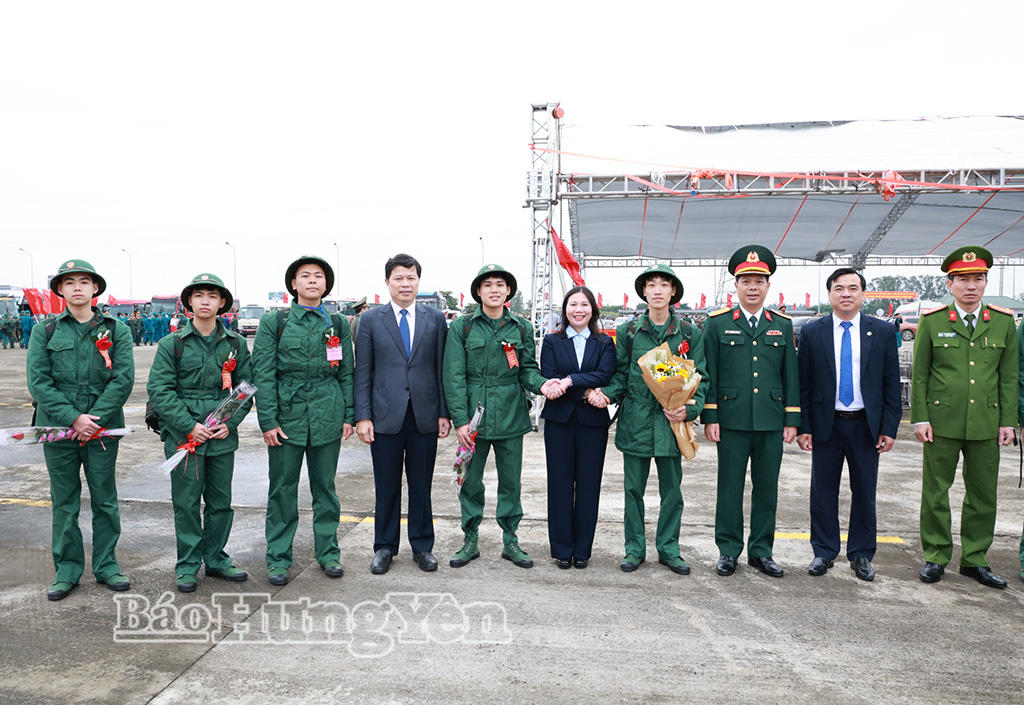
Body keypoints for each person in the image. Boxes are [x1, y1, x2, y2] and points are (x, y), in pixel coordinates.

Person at [27, 259, 135, 600]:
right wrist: (75, 418)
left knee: (105, 499)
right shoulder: (44, 330)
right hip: (58, 430)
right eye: (69, 282)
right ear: (60, 290)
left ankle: (107, 566)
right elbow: (39, 382)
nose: (77, 287)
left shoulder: (117, 330)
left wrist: (94, 419)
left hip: (102, 431)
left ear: (95, 288)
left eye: (84, 281)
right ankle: (67, 570)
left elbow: (122, 380)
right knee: (65, 502)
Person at [590, 263, 708, 575]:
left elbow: (702, 378)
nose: (657, 290)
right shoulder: (629, 332)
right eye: (651, 285)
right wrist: (606, 394)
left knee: (672, 492)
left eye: (663, 285)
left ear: (673, 293)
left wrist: (689, 409)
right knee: (632, 492)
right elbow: (619, 376)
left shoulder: (689, 333)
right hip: (637, 423)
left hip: (672, 425)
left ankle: (669, 549)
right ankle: (634, 549)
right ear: (644, 291)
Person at [913, 246, 1017, 589]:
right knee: (936, 492)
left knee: (983, 494)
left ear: (986, 282)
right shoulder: (933, 320)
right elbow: (922, 376)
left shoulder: (1003, 322)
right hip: (941, 421)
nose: (971, 286)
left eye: (978, 278)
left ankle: (975, 559)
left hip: (987, 422)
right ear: (949, 283)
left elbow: (1008, 376)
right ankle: (937, 556)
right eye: (963, 279)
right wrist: (920, 418)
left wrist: (1008, 422)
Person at [443, 264, 559, 569]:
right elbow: (453, 375)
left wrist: (543, 384)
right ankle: (470, 540)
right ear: (478, 291)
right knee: (470, 481)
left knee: (511, 482)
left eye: (500, 284)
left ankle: (511, 541)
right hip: (472, 417)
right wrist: (459, 420)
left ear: (508, 291)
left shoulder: (520, 327)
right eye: (488, 285)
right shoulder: (462, 327)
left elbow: (527, 369)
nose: (494, 289)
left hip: (510, 414)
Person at [147, 273, 253, 592]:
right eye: (199, 295)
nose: (205, 301)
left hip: (221, 436)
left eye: (212, 295)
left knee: (221, 502)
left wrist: (228, 423)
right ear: (189, 302)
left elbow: (245, 389)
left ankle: (217, 558)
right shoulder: (172, 344)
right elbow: (161, 390)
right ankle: (189, 564)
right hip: (184, 437)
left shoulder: (236, 343)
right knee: (187, 503)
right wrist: (189, 425)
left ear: (222, 303)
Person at [253, 255, 355, 586]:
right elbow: (263, 373)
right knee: (282, 489)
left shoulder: (337, 324)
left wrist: (348, 416)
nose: (312, 280)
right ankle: (279, 558)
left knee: (325, 488)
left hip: (327, 414)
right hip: (287, 417)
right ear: (293, 284)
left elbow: (347, 374)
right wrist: (267, 420)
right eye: (305, 276)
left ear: (326, 285)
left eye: (319, 276)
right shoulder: (275, 322)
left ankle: (328, 552)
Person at [796, 268, 902, 581]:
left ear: (862, 294)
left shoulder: (881, 331)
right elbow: (804, 383)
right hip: (826, 424)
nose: (846, 294)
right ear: (829, 294)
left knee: (865, 491)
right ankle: (824, 551)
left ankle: (861, 554)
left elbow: (891, 383)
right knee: (823, 492)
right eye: (839, 288)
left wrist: (889, 427)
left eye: (853, 288)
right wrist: (804, 426)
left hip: (865, 425)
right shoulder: (814, 331)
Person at [701, 246, 799, 578]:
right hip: (731, 420)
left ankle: (761, 551)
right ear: (736, 285)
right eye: (746, 280)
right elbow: (708, 373)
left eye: (759, 280)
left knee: (767, 488)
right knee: (729, 488)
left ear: (768, 285)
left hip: (771, 421)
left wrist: (792, 418)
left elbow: (791, 376)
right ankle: (728, 550)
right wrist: (710, 416)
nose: (753, 286)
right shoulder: (716, 324)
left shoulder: (782, 325)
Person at [355, 254, 450, 574]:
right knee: (386, 484)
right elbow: (363, 372)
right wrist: (363, 416)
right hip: (384, 416)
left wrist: (444, 413)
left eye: (411, 278)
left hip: (425, 414)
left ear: (418, 282)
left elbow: (441, 370)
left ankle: (422, 546)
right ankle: (384, 546)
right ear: (387, 283)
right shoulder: (370, 320)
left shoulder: (435, 319)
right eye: (399, 278)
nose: (405, 284)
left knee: (421, 484)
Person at [540, 286, 615, 569]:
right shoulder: (552, 341)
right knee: (559, 485)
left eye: (584, 304)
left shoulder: (604, 342)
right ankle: (561, 548)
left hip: (593, 424)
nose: (578, 310)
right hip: (559, 422)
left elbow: (605, 373)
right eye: (573, 305)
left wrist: (570, 380)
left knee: (588, 486)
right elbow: (550, 376)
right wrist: (585, 391)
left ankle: (582, 549)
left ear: (593, 310)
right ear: (565, 309)